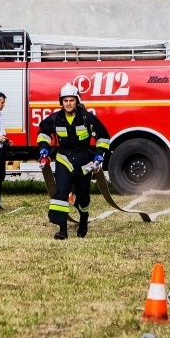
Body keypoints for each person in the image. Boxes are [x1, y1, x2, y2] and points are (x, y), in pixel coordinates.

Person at [37, 83, 110, 240]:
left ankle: (83, 220)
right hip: (64, 159)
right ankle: (62, 230)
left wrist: (98, 156)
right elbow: (43, 133)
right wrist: (43, 150)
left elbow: (103, 137)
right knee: (61, 193)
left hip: (84, 162)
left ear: (77, 101)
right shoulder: (56, 119)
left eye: (71, 100)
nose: (68, 103)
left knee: (83, 197)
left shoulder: (87, 118)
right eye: (65, 100)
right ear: (61, 102)